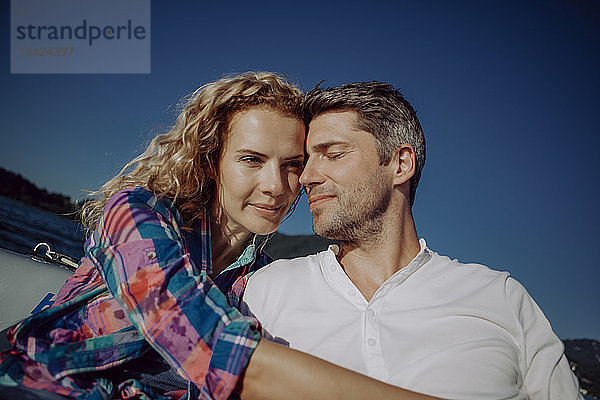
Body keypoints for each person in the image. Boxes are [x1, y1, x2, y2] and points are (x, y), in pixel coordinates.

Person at [0, 73, 438, 400]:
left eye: (291, 164)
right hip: (32, 383)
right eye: (252, 159)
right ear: (213, 163)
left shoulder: (260, 278)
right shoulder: (138, 214)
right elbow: (204, 340)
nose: (276, 186)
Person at [242, 81, 583, 400]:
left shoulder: (501, 298)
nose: (306, 178)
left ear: (400, 164)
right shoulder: (266, 289)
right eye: (305, 161)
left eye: (332, 154)